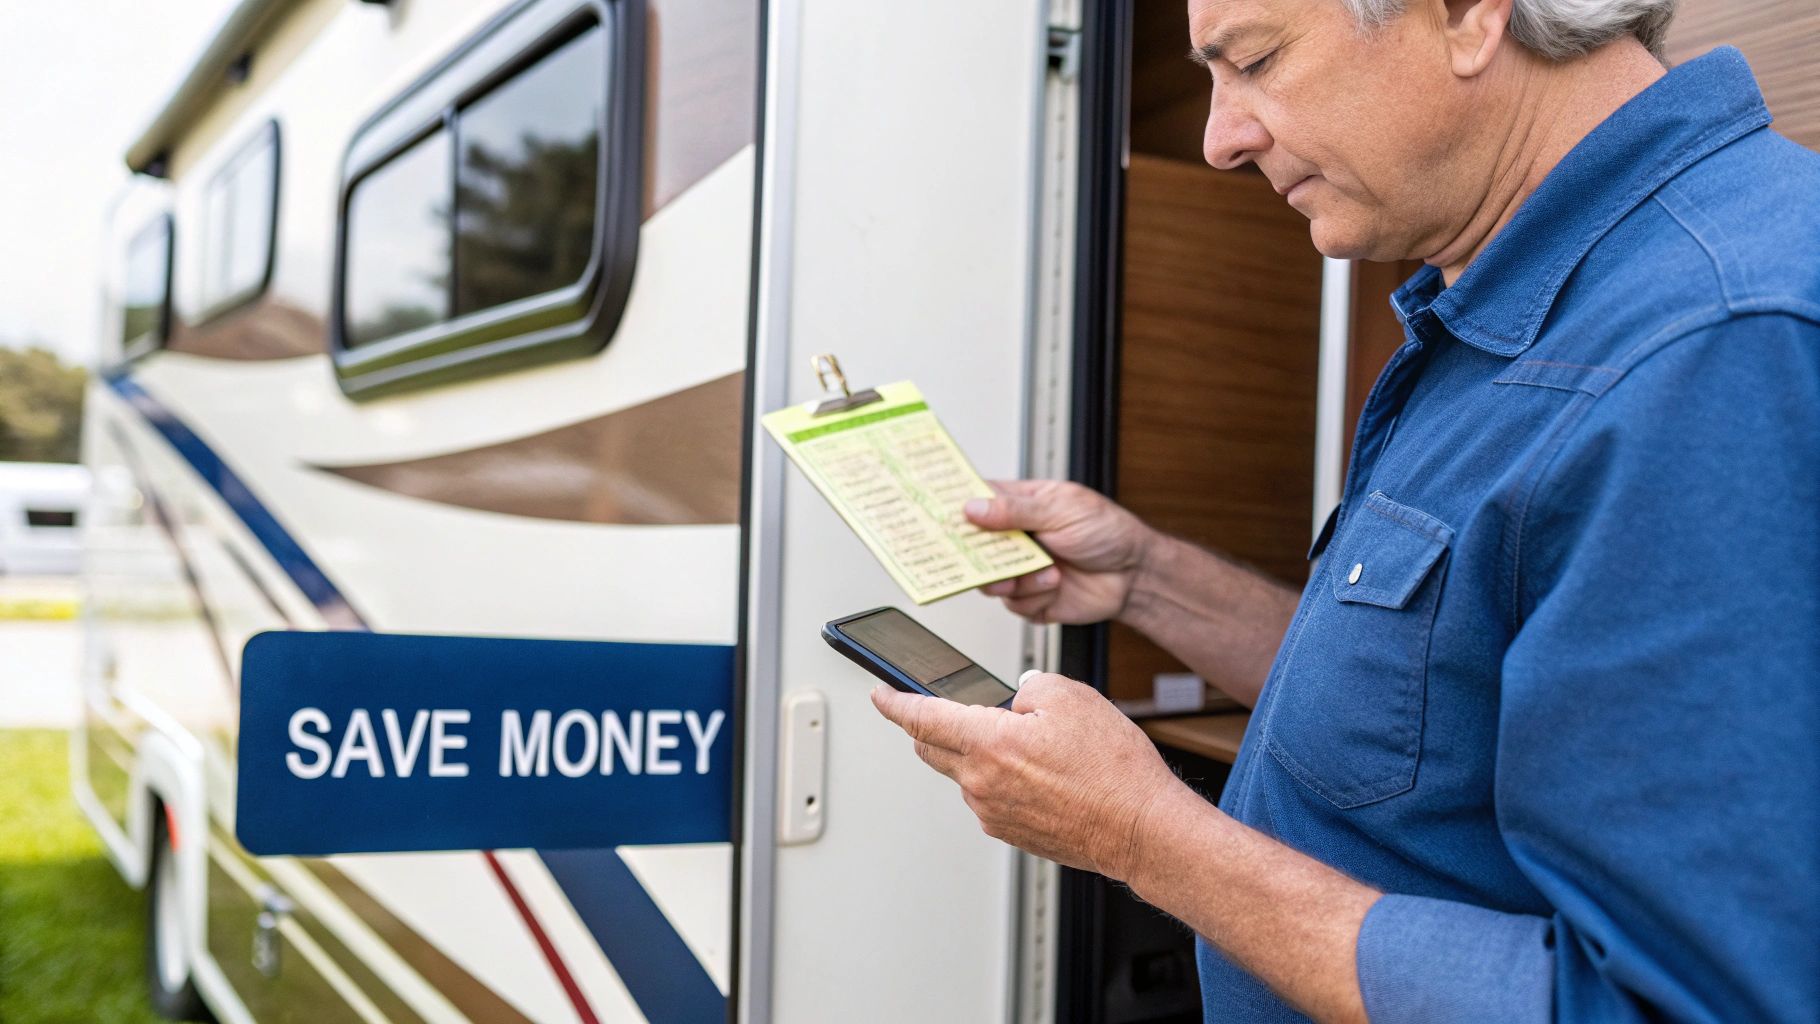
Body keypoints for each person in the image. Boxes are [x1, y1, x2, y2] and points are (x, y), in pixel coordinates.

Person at [867, 0, 1820, 1020]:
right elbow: (1433, 707)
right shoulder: (1508, 305)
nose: (1218, 138)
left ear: (1467, 16)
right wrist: (1145, 577)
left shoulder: (1714, 346)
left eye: (1258, 61)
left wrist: (1142, 837)